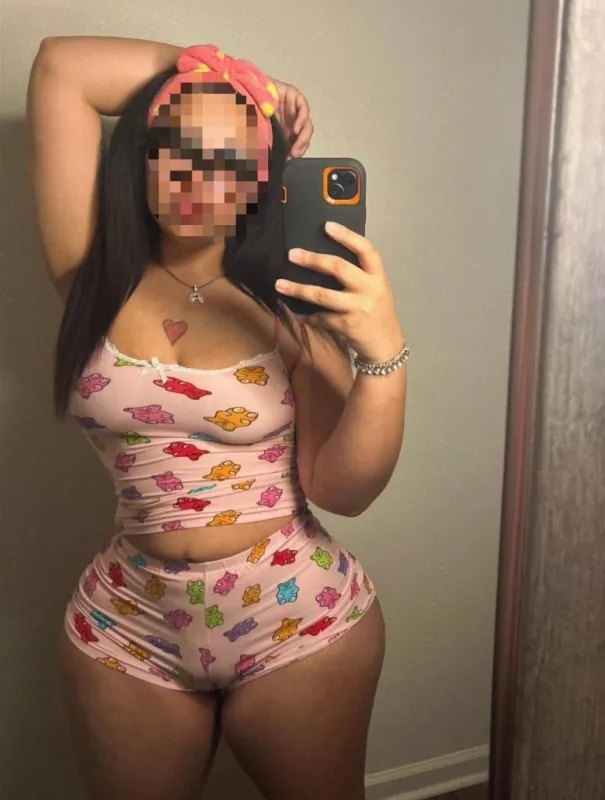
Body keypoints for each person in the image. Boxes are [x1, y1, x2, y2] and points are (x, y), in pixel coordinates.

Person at [27, 35, 408, 800]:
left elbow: (343, 490)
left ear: (261, 180)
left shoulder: (287, 312)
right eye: (178, 148)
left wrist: (383, 356)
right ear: (142, 158)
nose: (200, 177)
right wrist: (245, 82)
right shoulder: (93, 276)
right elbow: (62, 67)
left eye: (232, 159)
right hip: (130, 625)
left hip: (294, 618)